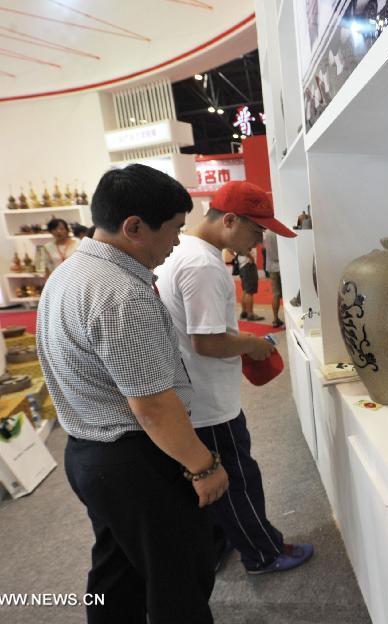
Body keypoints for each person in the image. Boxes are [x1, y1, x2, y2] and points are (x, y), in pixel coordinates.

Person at [35, 164, 228, 624]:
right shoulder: (121, 293)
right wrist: (204, 466)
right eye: (175, 229)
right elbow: (153, 407)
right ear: (134, 227)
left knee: (118, 572)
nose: (178, 242)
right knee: (178, 579)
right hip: (135, 461)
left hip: (89, 453)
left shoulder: (69, 274)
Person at [155, 180, 314, 576]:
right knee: (238, 479)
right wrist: (250, 344)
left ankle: (222, 542)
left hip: (194, 393)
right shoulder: (203, 264)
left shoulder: (185, 253)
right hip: (208, 400)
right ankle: (263, 552)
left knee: (215, 481)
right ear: (229, 220)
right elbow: (207, 342)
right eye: (256, 230)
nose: (258, 240)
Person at [263, 228, 284, 328]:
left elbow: (263, 247)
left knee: (275, 294)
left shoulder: (266, 233)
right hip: (283, 265)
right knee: (288, 294)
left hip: (271, 265)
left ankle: (275, 319)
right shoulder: (280, 231)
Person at [238, 247, 265, 321]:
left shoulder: (238, 237)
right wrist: (251, 257)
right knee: (249, 291)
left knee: (245, 290)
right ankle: (250, 314)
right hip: (248, 265)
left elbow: (230, 249)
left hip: (242, 265)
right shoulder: (246, 236)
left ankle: (244, 312)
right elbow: (244, 248)